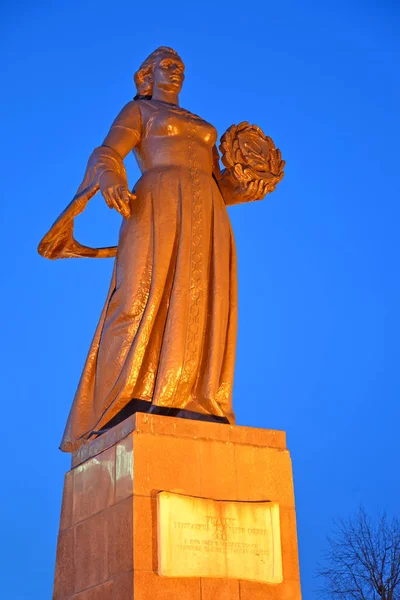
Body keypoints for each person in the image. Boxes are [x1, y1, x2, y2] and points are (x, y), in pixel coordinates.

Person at [40, 47, 263, 452]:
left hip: (208, 212)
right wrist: (111, 177)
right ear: (148, 74)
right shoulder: (139, 112)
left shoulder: (200, 124)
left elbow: (218, 185)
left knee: (201, 301)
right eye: (166, 64)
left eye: (180, 66)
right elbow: (107, 151)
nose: (175, 70)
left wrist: (249, 184)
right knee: (136, 296)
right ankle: (121, 401)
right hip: (155, 200)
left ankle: (194, 397)